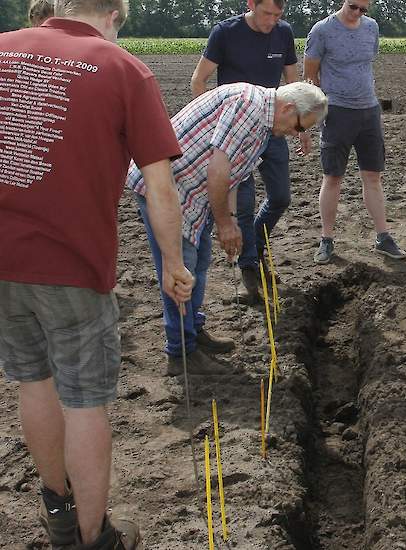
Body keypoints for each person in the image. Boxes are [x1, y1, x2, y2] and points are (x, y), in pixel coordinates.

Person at [0, 1, 193, 548]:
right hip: (72, 265)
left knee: (32, 381)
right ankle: (92, 536)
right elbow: (159, 187)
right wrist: (174, 263)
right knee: (84, 400)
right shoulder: (123, 69)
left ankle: (57, 510)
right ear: (114, 14)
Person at [127, 82, 327, 377]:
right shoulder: (249, 108)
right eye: (298, 126)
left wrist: (229, 220)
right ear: (287, 109)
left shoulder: (264, 123)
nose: (295, 134)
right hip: (165, 190)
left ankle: (193, 330)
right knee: (180, 269)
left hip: (193, 194)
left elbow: (232, 175)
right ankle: (180, 352)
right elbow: (217, 171)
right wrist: (224, 225)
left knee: (200, 262)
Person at [190, 0, 308, 304]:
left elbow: (294, 86)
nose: (271, 21)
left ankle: (254, 249)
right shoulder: (225, 33)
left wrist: (301, 127)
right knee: (243, 205)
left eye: (277, 15)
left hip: (274, 127)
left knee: (281, 197)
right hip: (236, 135)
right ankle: (248, 270)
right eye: (266, 13)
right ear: (250, 4)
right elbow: (198, 81)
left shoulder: (284, 33)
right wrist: (218, 124)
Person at [306, 0, 406, 263]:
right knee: (333, 177)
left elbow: (366, 64)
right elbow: (310, 75)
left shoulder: (371, 28)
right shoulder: (322, 30)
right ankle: (326, 239)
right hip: (337, 111)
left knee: (373, 176)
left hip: (369, 111)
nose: (358, 14)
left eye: (364, 9)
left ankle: (383, 236)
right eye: (354, 7)